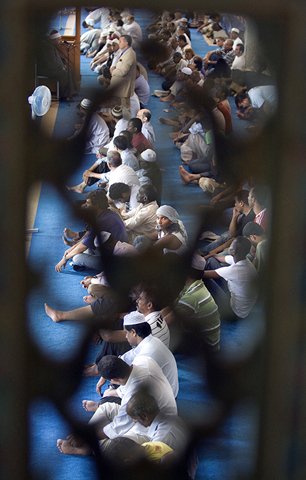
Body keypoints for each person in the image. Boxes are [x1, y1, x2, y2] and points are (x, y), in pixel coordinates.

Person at [56, 355, 177, 455]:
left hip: (149, 426)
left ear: (114, 379)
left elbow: (117, 428)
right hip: (148, 413)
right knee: (106, 407)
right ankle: (87, 436)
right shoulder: (144, 359)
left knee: (116, 445)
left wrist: (87, 437)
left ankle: (85, 449)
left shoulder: (133, 396)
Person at [53, 190, 127, 272]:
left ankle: (91, 266)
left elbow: (84, 245)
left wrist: (65, 259)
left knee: (77, 258)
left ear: (96, 206)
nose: (85, 205)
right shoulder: (108, 212)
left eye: (88, 203)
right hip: (112, 250)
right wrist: (71, 250)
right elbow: (88, 236)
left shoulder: (102, 221)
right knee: (80, 250)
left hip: (114, 261)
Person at [164, 254, 221, 351]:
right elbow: (172, 307)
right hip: (207, 338)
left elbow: (166, 322)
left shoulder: (192, 297)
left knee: (165, 337)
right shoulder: (195, 286)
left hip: (206, 346)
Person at [203, 236, 258, 320]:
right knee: (211, 261)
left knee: (206, 279)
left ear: (233, 251)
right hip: (234, 299)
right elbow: (215, 256)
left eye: (232, 245)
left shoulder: (236, 270)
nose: (229, 245)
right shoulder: (242, 259)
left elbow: (202, 274)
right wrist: (203, 259)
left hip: (234, 313)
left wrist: (194, 264)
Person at [200, 190, 256, 257]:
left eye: (236, 202)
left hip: (244, 246)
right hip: (238, 240)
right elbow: (231, 233)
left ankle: (206, 255)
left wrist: (214, 252)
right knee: (225, 235)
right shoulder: (245, 215)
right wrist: (234, 216)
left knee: (214, 257)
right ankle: (201, 252)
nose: (235, 205)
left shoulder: (249, 219)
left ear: (241, 203)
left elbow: (234, 239)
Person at [36, 30, 78, 101]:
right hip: (46, 70)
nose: (61, 41)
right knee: (64, 73)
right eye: (59, 39)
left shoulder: (51, 45)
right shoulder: (47, 48)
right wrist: (61, 68)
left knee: (68, 69)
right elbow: (51, 63)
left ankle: (71, 92)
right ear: (53, 40)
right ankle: (64, 96)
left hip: (52, 68)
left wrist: (63, 67)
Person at [109, 35, 137, 110]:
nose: (119, 43)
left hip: (124, 88)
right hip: (120, 86)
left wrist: (113, 71)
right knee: (117, 107)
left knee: (125, 109)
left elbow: (123, 72)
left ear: (126, 43)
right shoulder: (125, 52)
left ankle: (126, 122)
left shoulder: (130, 54)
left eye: (120, 41)